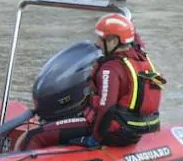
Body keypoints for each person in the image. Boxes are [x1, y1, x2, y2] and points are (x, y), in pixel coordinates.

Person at [19, 13, 166, 150]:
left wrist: (95, 138)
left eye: (101, 39)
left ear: (113, 41)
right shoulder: (140, 55)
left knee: (34, 135)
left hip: (113, 132)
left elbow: (107, 108)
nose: (97, 44)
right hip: (132, 129)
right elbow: (136, 39)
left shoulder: (111, 69)